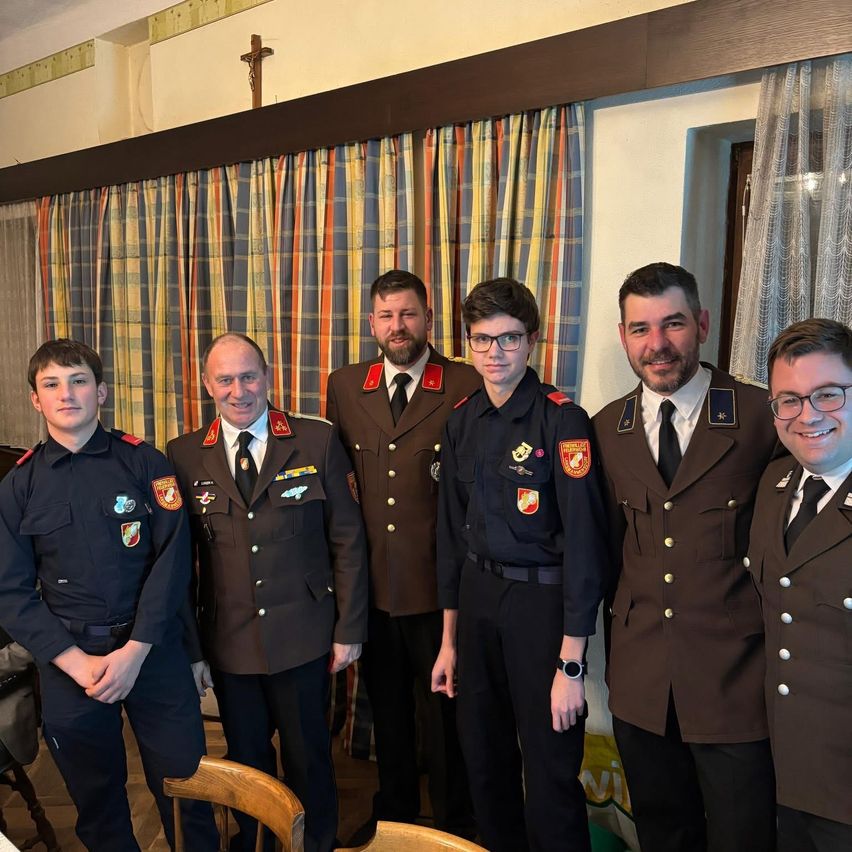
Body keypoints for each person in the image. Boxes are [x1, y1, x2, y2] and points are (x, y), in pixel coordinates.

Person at [0, 339, 217, 851]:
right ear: (36, 399)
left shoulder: (146, 464)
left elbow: (173, 564)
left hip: (152, 652)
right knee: (96, 804)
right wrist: (76, 663)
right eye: (51, 384)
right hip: (71, 663)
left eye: (77, 381)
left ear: (101, 392)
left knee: (187, 791)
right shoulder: (18, 485)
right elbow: (10, 592)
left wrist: (135, 651)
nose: (66, 394)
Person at [592, 262, 777, 852]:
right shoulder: (604, 430)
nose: (658, 345)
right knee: (662, 831)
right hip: (643, 681)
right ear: (623, 336)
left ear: (700, 324)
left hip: (734, 680)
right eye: (641, 329)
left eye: (672, 325)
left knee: (741, 835)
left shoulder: (760, 416)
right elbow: (605, 552)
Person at [167, 332, 368, 852]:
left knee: (308, 758)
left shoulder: (315, 440)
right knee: (246, 761)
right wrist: (192, 651)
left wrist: (350, 629)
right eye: (226, 379)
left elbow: (347, 540)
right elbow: (179, 569)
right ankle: (255, 842)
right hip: (229, 643)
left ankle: (315, 844)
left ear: (268, 376)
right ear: (207, 384)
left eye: (249, 375)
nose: (239, 390)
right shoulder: (185, 454)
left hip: (304, 637)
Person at [431, 278, 608, 852]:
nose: (495, 353)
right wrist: (449, 642)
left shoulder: (563, 421)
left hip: (541, 607)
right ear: (468, 344)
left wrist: (572, 666)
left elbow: (586, 546)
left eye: (509, 339)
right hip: (478, 598)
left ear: (534, 340)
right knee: (483, 759)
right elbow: (451, 540)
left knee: (552, 770)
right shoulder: (461, 420)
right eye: (481, 340)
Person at [325, 269, 479, 842]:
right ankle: (394, 817)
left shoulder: (463, 382)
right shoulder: (345, 386)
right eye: (386, 316)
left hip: (440, 590)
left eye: (408, 314)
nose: (398, 326)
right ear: (371, 323)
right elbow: (342, 485)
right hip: (373, 587)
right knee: (386, 711)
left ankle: (453, 823)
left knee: (444, 718)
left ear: (429, 319)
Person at [746, 318, 852, 852]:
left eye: (827, 395)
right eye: (788, 400)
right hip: (785, 774)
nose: (807, 416)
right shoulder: (774, 484)